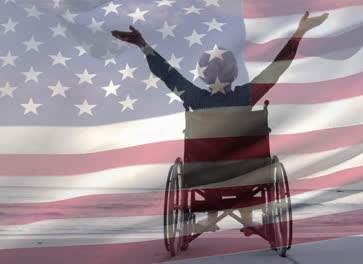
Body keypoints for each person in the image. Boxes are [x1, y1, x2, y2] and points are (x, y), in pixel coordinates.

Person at [112, 11, 329, 235]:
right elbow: (276, 69)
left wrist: (143, 46)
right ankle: (247, 218)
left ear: (203, 75)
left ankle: (210, 219)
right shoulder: (246, 96)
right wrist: (299, 33)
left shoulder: (195, 99)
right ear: (234, 73)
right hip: (248, 176)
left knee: (211, 160)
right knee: (243, 154)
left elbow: (168, 75)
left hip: (206, 177)